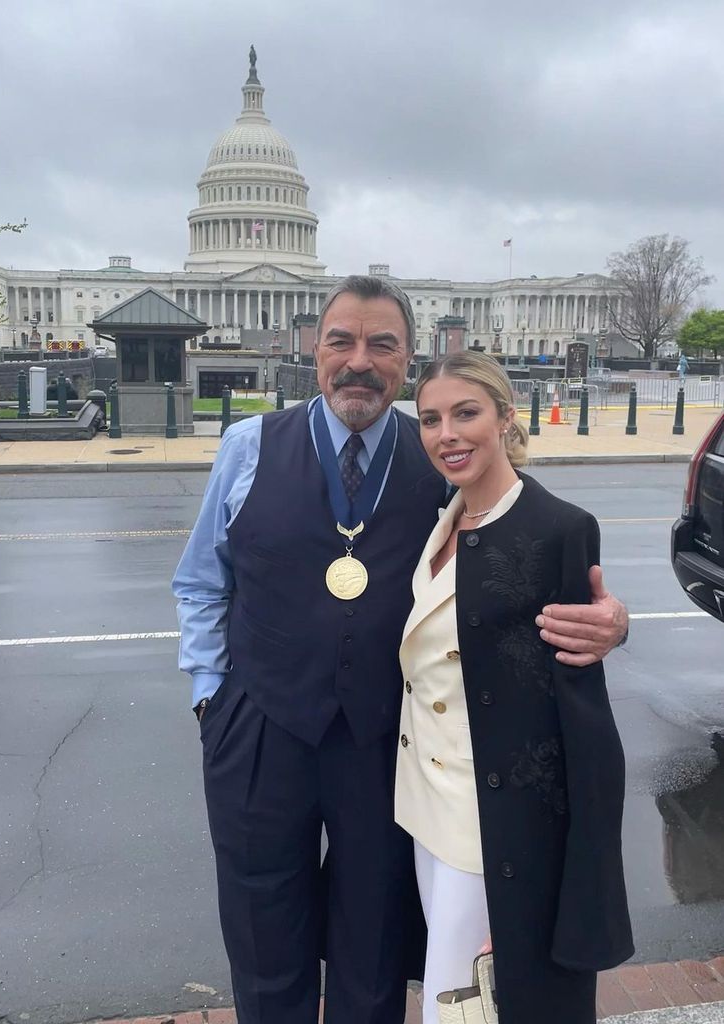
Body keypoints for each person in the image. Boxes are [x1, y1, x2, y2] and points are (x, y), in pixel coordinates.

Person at [172, 275, 629, 1024]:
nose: (359, 361)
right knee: (263, 933)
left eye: (381, 344)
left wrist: (612, 620)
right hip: (258, 729)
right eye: (341, 341)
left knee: (372, 939)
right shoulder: (247, 446)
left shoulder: (442, 458)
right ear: (312, 350)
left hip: (379, 740)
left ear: (408, 357)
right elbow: (199, 582)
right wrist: (209, 696)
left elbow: (535, 541)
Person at [395, 351, 633, 1024]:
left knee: (461, 1004)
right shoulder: (442, 521)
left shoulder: (556, 528)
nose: (447, 434)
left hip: (491, 823)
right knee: (459, 997)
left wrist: (558, 876)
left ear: (505, 416)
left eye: (465, 413)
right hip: (422, 807)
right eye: (431, 419)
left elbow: (579, 705)